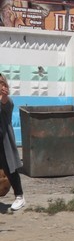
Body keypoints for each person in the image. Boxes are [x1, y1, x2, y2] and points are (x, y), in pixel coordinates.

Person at [0, 74, 25, 211]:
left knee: (10, 170)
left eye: (1, 83)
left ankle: (19, 196)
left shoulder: (6, 101)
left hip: (3, 143)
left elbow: (6, 103)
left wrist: (4, 96)